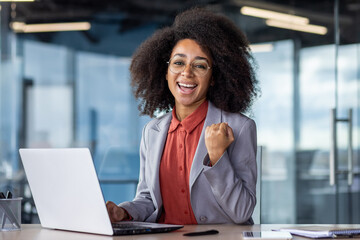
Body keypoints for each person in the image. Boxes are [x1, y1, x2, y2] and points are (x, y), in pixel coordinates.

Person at [106, 7, 259, 225]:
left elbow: (242, 212)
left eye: (200, 65)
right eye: (178, 63)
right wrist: (123, 212)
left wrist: (217, 158)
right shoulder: (152, 131)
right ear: (165, 71)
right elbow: (148, 198)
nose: (186, 73)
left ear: (214, 77)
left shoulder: (239, 127)